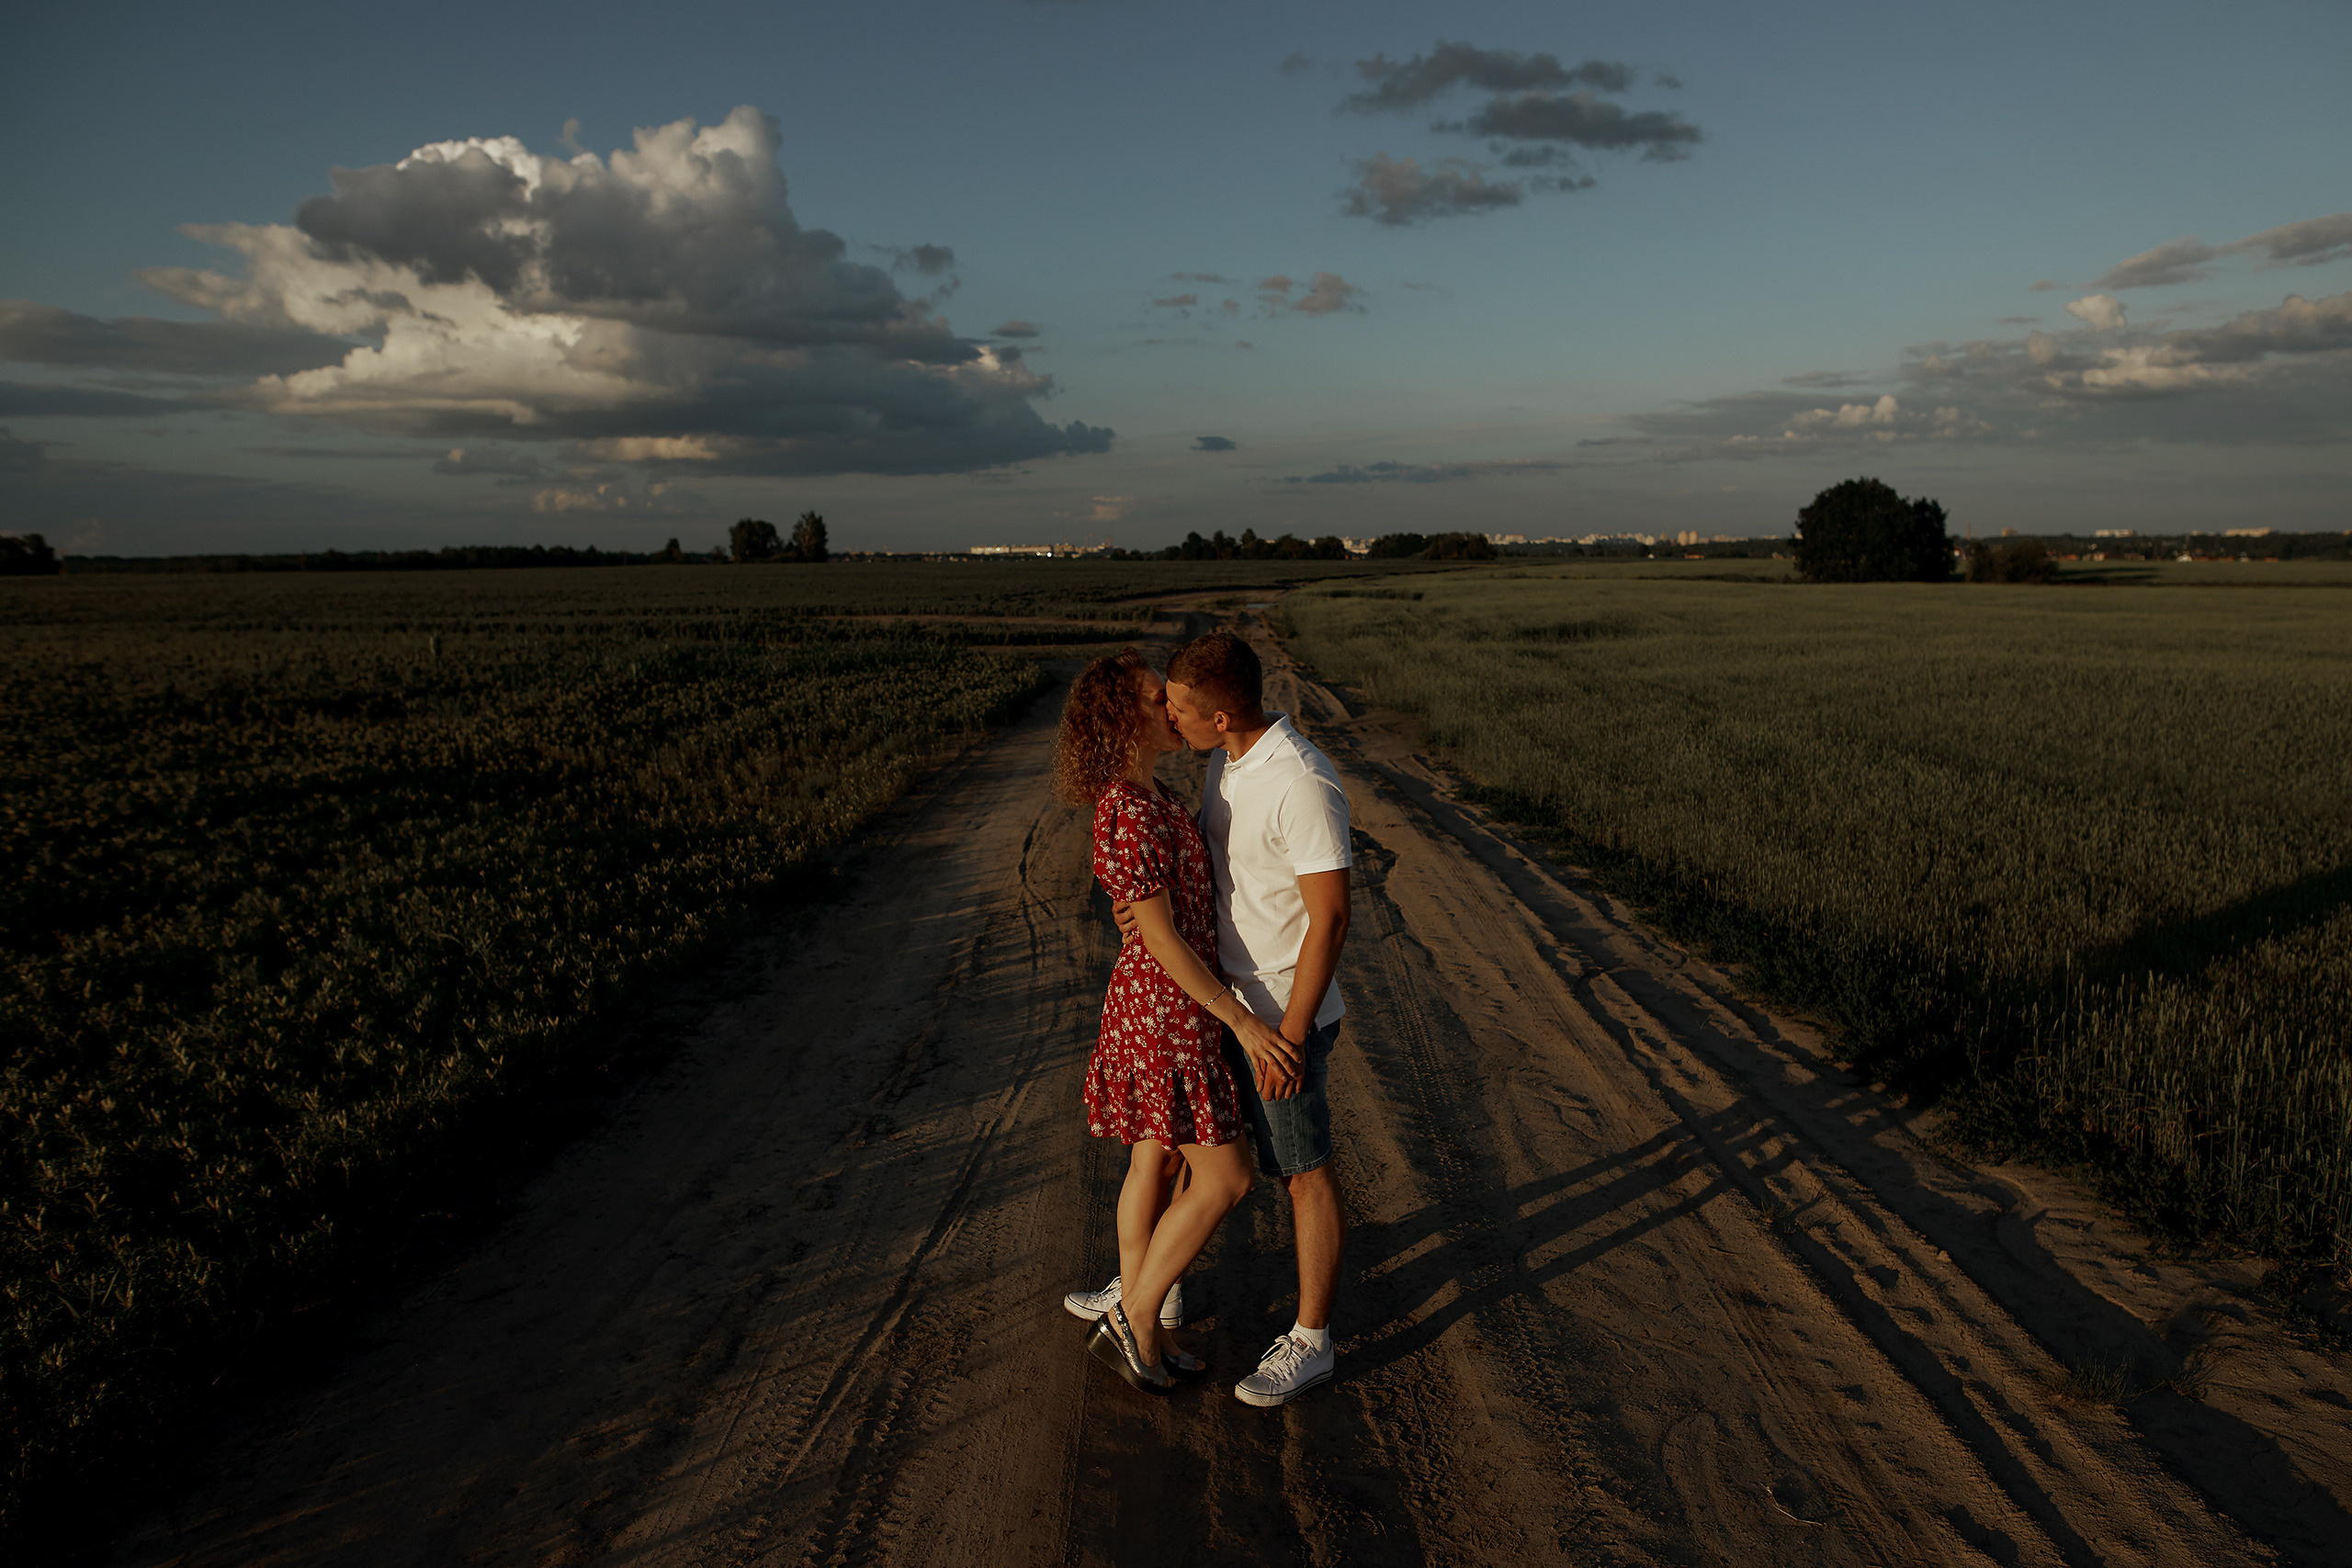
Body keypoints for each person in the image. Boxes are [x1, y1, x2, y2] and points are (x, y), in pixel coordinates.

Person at [1052, 649, 1295, 1394]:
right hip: (1165, 1011)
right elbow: (1158, 936)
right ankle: (1135, 1312)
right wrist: (1243, 1022)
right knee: (1226, 1174)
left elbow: (1157, 911)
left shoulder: (1150, 795)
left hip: (1164, 1004)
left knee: (1154, 1156)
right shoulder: (1126, 806)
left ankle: (1144, 1331)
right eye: (1159, 698)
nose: (1173, 707)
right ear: (1126, 718)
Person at [1122, 629, 1353, 1408]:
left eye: (1181, 708)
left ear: (1221, 716)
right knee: (1192, 1152)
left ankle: (1313, 1340)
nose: (1170, 717)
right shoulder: (1227, 763)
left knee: (1301, 1171)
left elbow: (1330, 918)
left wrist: (1287, 1035)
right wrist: (1138, 913)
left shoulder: (1302, 783)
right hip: (1225, 1004)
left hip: (1282, 1018)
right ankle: (1162, 1284)